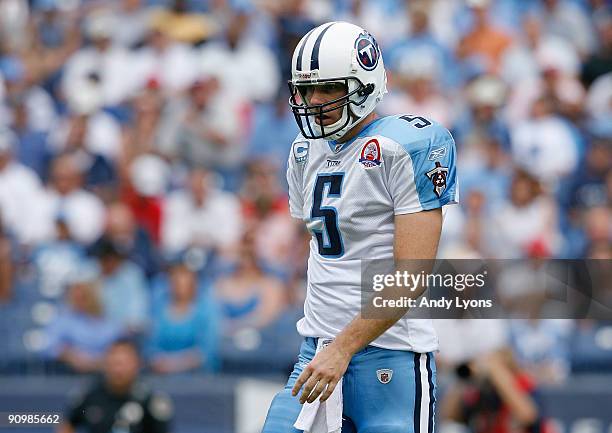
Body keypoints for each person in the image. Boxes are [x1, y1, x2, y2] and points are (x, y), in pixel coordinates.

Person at [262, 21, 457, 433]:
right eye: (306, 88)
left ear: (364, 83)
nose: (313, 100)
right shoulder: (303, 151)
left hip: (390, 355)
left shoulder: (408, 145)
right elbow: (320, 245)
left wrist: (344, 348)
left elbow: (412, 276)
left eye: (329, 88)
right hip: (318, 350)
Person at [58, 339, 173, 433]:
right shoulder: (88, 396)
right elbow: (68, 424)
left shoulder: (151, 401)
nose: (118, 370)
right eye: (114, 363)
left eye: (124, 364)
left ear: (137, 364)